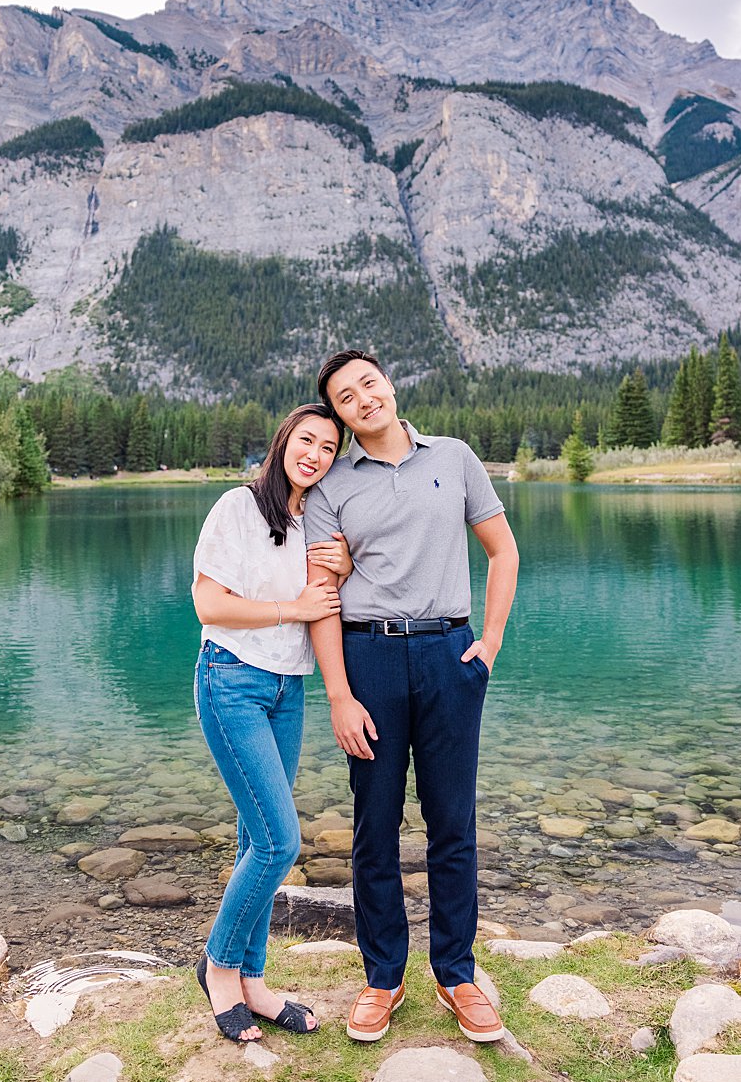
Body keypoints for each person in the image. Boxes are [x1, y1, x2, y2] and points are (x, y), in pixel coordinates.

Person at [303, 349, 520, 1045]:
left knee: (453, 823)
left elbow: (503, 550)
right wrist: (339, 693)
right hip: (368, 656)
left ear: (389, 384)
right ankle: (382, 978)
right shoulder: (331, 487)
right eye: (345, 396)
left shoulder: (453, 457)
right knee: (375, 826)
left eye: (368, 382)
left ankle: (456, 972)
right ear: (337, 414)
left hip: (448, 652)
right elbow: (323, 598)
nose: (362, 398)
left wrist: (487, 643)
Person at [189, 404, 350, 1042]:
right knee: (281, 842)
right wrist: (294, 607)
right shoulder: (237, 506)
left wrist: (342, 568)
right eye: (306, 439)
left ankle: (253, 981)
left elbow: (333, 601)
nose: (315, 454)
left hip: (290, 689)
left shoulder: (317, 520)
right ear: (284, 440)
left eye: (329, 448)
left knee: (254, 839)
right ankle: (219, 968)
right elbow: (208, 602)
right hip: (231, 680)